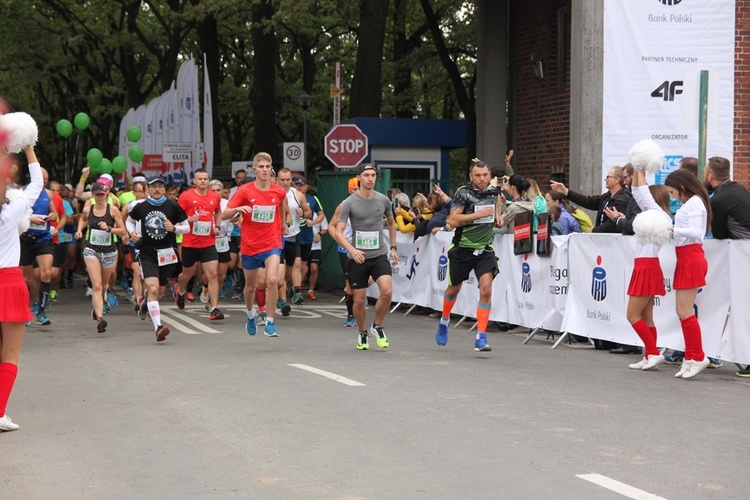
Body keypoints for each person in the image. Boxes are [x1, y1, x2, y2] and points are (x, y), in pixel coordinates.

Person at [434, 159, 504, 352]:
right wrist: (476, 216)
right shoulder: (463, 193)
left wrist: (498, 218)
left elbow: (496, 211)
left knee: (487, 289)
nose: (482, 179)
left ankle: (481, 336)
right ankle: (444, 320)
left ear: (489, 176)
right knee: (453, 290)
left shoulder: (494, 192)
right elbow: (453, 220)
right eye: (477, 176)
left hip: (484, 249)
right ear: (471, 177)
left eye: (485, 175)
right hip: (462, 249)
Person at [0, 146, 43, 432]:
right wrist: (28, 147)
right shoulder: (12, 209)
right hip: (8, 282)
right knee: (10, 354)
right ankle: (0, 412)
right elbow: (37, 184)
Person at [332, 163, 398, 350]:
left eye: (373, 175)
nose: (370, 178)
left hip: (378, 254)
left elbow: (392, 223)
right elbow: (338, 231)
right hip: (358, 257)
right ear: (359, 178)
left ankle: (377, 325)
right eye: (367, 175)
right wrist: (351, 250)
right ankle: (362, 333)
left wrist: (393, 247)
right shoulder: (349, 203)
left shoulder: (383, 200)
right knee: (359, 300)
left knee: (387, 291)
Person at [223, 153, 289, 338]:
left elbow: (281, 207)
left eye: (267, 167)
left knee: (272, 280)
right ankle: (251, 314)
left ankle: (270, 322)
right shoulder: (244, 191)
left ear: (271, 168)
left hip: (272, 243)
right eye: (261, 167)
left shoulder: (278, 191)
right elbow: (225, 214)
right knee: (251, 287)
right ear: (255, 169)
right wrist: (238, 209)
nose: (265, 170)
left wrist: (283, 224)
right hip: (250, 245)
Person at [126, 177, 190, 342]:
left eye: (160, 186)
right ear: (148, 189)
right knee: (153, 288)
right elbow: (129, 221)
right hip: (147, 253)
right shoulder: (141, 207)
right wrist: (132, 233)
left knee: (159, 292)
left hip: (167, 253)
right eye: (153, 186)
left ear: (164, 189)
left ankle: (144, 304)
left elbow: (187, 227)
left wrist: (174, 228)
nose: (157, 189)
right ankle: (158, 328)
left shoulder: (173, 206)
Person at [664, 169, 713, 379]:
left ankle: (699, 356)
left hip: (691, 257)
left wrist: (672, 229)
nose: (673, 197)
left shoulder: (695, 203)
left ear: (682, 188)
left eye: (673, 193)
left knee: (685, 312)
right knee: (682, 311)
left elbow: (696, 232)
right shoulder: (691, 203)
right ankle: (690, 356)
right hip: (685, 257)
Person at [623, 169, 673, 371]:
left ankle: (653, 352)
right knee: (646, 316)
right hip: (645, 265)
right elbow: (637, 192)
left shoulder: (659, 215)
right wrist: (635, 170)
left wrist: (640, 166)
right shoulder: (655, 214)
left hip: (647, 266)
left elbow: (641, 192)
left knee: (632, 315)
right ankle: (649, 354)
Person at [76, 182, 127, 333]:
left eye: (102, 194)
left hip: (109, 252)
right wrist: (79, 230)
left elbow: (123, 231)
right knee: (97, 286)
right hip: (91, 249)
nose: (99, 197)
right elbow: (83, 219)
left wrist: (110, 229)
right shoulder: (88, 209)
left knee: (103, 286)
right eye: (97, 194)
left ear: (107, 194)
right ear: (93, 195)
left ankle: (97, 307)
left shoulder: (113, 210)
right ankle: (100, 319)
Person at [174, 168, 224, 321]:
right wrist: (189, 219)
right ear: (194, 181)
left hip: (208, 242)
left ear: (208, 180)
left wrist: (217, 226)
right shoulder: (186, 196)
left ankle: (214, 308)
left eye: (205, 178)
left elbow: (218, 212)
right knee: (188, 274)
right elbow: (177, 215)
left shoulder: (214, 197)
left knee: (212, 274)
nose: (203, 181)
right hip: (190, 242)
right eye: (200, 179)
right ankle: (180, 290)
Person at [20, 166, 61, 326]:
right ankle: (27, 309)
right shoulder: (22, 193)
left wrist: (52, 215)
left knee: (46, 273)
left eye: (45, 182)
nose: (43, 184)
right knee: (26, 278)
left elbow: (55, 213)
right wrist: (31, 219)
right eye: (41, 181)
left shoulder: (48, 194)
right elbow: (16, 214)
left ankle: (41, 311)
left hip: (43, 238)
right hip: (26, 238)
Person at [549, 166, 632, 233]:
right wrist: (565, 191)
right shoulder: (607, 196)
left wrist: (594, 230)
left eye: (608, 177)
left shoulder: (622, 199)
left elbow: (613, 224)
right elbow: (587, 201)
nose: (605, 179)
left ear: (617, 180)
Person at [328, 177, 360, 327]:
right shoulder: (343, 206)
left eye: (358, 188)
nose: (357, 191)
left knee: (367, 279)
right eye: (354, 189)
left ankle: (359, 299)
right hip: (345, 248)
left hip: (365, 247)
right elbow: (331, 226)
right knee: (350, 282)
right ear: (349, 190)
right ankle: (351, 315)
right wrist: (340, 239)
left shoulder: (372, 204)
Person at [277, 168, 311, 306]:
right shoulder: (272, 193)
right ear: (277, 180)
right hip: (277, 237)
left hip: (293, 235)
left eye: (287, 179)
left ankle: (294, 291)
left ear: (291, 180)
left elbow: (309, 212)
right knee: (282, 268)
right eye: (282, 180)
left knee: (294, 266)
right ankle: (284, 298)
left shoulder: (297, 195)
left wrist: (302, 213)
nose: (285, 182)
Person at [703, 156, 750, 240]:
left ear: (710, 176)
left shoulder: (717, 201)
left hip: (742, 246)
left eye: (704, 172)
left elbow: (719, 236)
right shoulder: (740, 188)